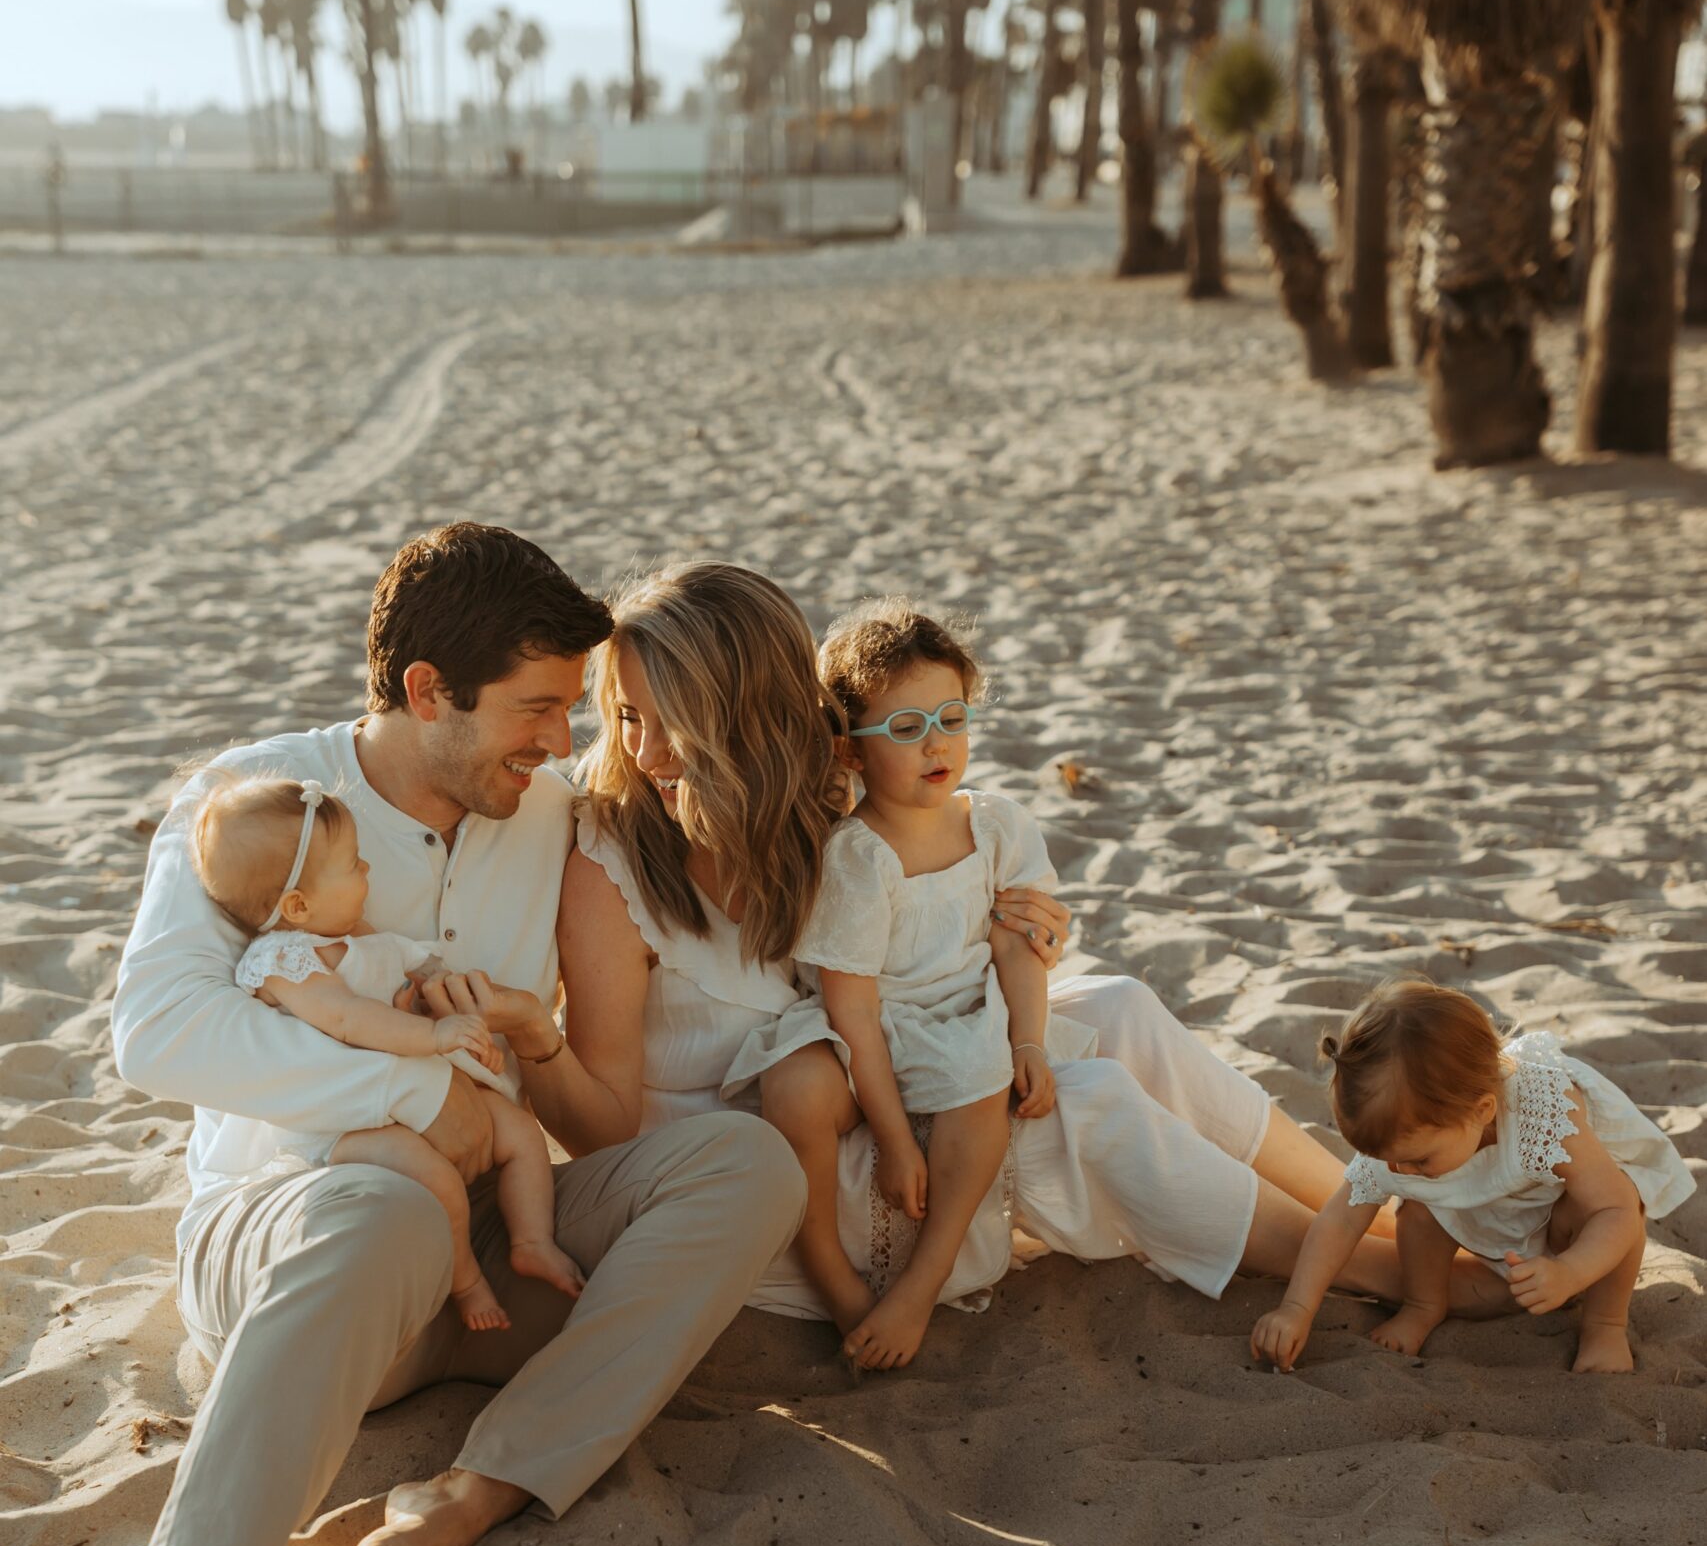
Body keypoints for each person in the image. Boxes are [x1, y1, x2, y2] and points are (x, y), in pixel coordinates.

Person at [16, 523, 805, 1546]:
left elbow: (742, 822)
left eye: (571, 710)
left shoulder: (549, 812)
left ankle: (475, 1488)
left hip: (494, 1258)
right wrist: (418, 1094)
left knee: (742, 1162)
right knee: (378, 1202)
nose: (563, 742)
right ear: (429, 691)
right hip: (302, 1237)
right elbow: (155, 1034)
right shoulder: (261, 801)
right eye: (539, 709)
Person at [557, 560, 1470, 1331]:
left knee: (1115, 1004)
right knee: (1073, 1100)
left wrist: (1024, 926)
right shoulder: (614, 861)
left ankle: (1375, 1205)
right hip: (779, 1168)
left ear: (750, 719)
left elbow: (933, 935)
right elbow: (601, 1128)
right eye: (627, 717)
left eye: (669, 719)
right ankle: (1373, 1270)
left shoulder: (827, 815)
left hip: (890, 1073)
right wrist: (530, 1040)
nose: (646, 751)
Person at [728, 603, 1097, 1369]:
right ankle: (832, 1280)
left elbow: (1017, 941)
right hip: (861, 1027)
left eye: (951, 718)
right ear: (850, 753)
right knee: (793, 1091)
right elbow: (851, 1007)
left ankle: (920, 1286)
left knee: (979, 1080)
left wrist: (1027, 1037)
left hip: (957, 1016)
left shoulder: (995, 823)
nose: (936, 744)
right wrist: (894, 1140)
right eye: (904, 730)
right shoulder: (858, 857)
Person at [195, 773, 582, 1331]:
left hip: (412, 1092)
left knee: (519, 1132)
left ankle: (532, 1240)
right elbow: (351, 1022)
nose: (367, 870)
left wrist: (462, 1022)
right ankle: (468, 1282)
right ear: (298, 905)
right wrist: (435, 1038)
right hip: (349, 1121)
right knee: (437, 1179)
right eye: (353, 864)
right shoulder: (284, 960)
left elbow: (418, 972)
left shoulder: (356, 934)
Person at [1250, 979, 1692, 1375]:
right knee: (1418, 1209)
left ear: (1482, 1111)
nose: (1399, 1171)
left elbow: (1615, 1210)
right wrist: (1296, 1308)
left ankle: (1605, 1326)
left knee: (1621, 1201)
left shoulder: (1546, 1112)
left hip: (1567, 1220)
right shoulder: (1403, 1144)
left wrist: (1570, 1272)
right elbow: (1339, 1221)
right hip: (1494, 1206)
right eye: (1385, 1159)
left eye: (1418, 1160)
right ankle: (1424, 1305)